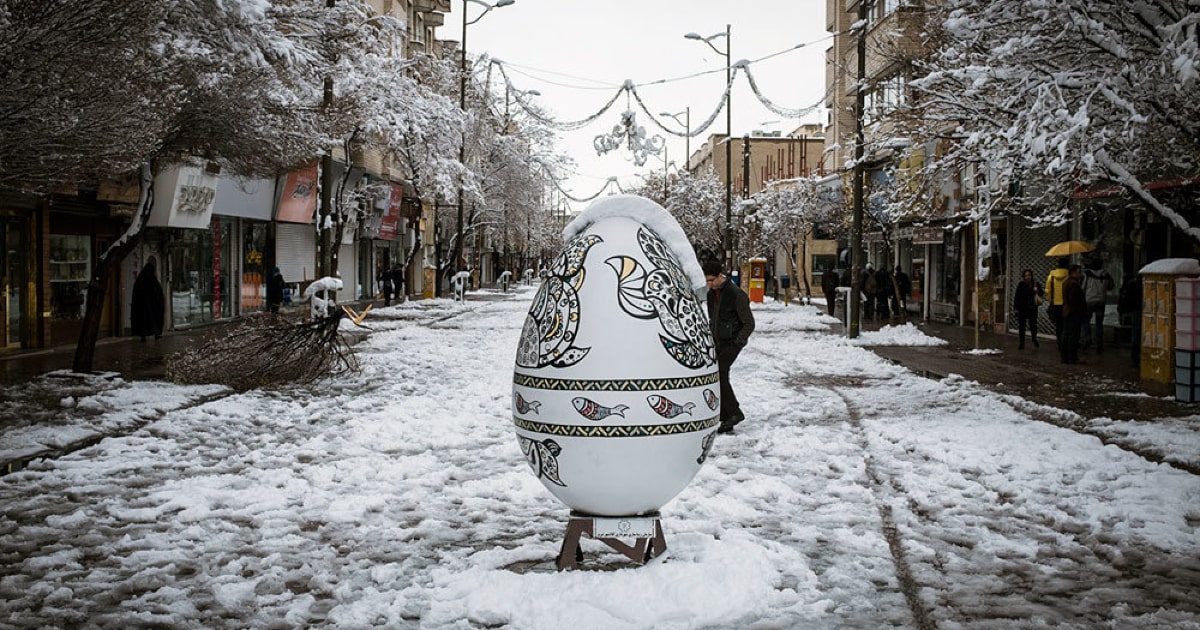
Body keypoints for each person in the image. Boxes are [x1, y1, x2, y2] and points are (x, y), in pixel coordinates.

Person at [704, 260, 755, 435]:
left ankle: (734, 412)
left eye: (711, 280)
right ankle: (726, 416)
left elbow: (749, 323)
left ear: (720, 276)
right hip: (719, 342)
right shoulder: (712, 294)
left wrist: (737, 342)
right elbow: (713, 319)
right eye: (707, 281)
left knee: (720, 373)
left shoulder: (736, 295)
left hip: (732, 343)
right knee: (718, 375)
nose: (709, 284)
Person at [1080, 257, 1114, 352]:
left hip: (1089, 301)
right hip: (1101, 301)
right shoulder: (1106, 274)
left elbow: (1083, 287)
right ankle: (1099, 343)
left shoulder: (1087, 274)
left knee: (1086, 321)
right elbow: (1111, 286)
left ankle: (1088, 337)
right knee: (1099, 323)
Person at [130, 258, 165, 341]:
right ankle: (156, 333)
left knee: (143, 321)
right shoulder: (153, 281)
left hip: (141, 307)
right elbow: (159, 294)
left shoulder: (140, 281)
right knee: (154, 320)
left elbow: (136, 295)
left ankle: (143, 335)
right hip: (153, 308)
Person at [1061, 264, 1087, 364]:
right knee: (1073, 335)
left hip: (1067, 311)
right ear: (1073, 272)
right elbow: (1074, 300)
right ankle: (1071, 357)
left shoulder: (1066, 282)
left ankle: (1066, 357)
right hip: (1073, 313)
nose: (1080, 274)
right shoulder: (1073, 284)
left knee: (1067, 334)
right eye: (1079, 271)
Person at [1013, 268, 1044, 349]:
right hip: (1022, 308)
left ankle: (1034, 339)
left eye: (1029, 275)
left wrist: (1037, 290)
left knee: (1033, 325)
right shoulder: (1021, 284)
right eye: (1026, 275)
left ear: (1031, 276)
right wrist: (1015, 307)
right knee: (1022, 326)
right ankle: (1021, 343)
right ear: (1024, 277)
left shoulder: (1035, 284)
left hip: (1032, 308)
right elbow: (1017, 296)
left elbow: (1041, 293)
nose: (1028, 277)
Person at [1044, 257, 1070, 349]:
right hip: (1067, 304)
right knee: (1067, 325)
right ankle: (1066, 343)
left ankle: (1059, 342)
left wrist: (1051, 301)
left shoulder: (1051, 276)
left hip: (1056, 304)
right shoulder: (1069, 275)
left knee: (1059, 325)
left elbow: (1048, 291)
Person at [1118, 274, 1142, 368]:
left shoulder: (1132, 283)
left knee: (1136, 333)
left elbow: (1126, 298)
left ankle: (1135, 358)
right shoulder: (1137, 283)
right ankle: (1136, 357)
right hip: (1139, 310)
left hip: (1136, 310)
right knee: (1137, 333)